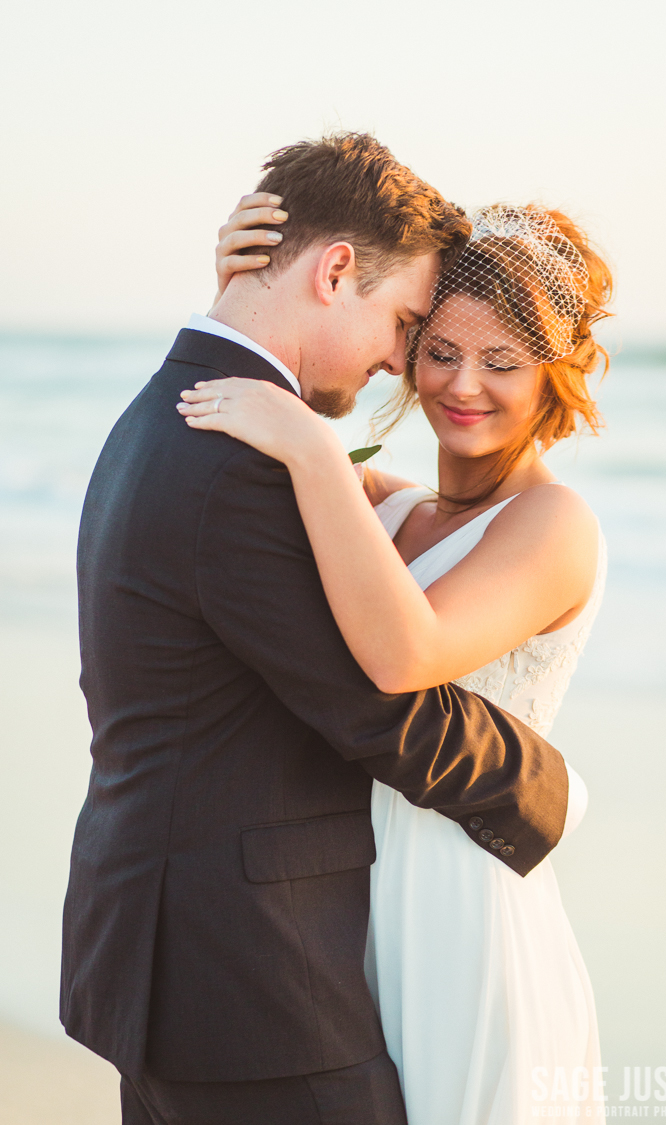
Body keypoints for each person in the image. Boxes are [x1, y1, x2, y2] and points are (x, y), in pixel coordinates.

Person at [61, 134, 570, 1125]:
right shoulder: (245, 462)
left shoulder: (173, 412)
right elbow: (374, 705)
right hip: (250, 981)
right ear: (336, 269)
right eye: (410, 323)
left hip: (177, 956)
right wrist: (554, 787)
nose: (403, 360)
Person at [178, 196, 614, 1123]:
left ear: (556, 375)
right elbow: (242, 416)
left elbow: (402, 654)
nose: (463, 385)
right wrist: (242, 299)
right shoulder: (385, 503)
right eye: (441, 349)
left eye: (503, 362)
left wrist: (311, 448)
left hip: (468, 922)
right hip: (345, 910)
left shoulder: (553, 524)